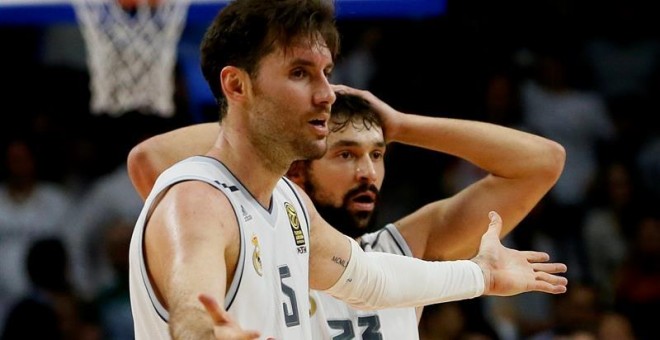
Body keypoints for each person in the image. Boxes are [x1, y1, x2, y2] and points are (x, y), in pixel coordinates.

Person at [127, 0, 568, 339]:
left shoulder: (290, 206)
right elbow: (191, 304)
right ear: (237, 85)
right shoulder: (198, 201)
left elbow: (370, 278)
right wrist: (205, 331)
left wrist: (483, 275)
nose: (326, 94)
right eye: (300, 73)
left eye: (326, 74)